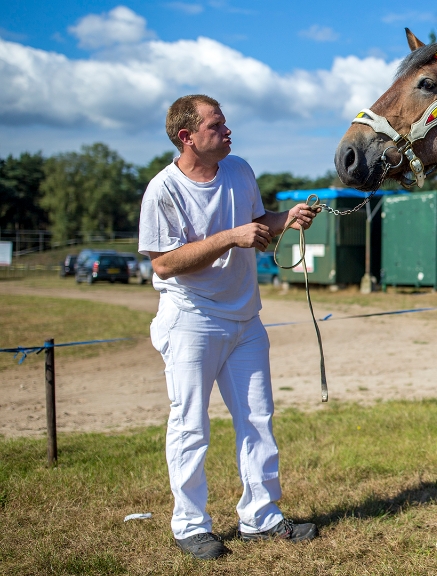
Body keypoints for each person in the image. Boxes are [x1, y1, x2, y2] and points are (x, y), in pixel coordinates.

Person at [139, 94, 320, 560]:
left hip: (246, 318)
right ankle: (190, 525)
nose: (228, 130)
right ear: (188, 137)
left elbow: (257, 225)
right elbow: (163, 264)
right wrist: (228, 238)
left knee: (258, 419)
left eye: (225, 123)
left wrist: (286, 220)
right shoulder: (163, 190)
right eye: (216, 125)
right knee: (190, 425)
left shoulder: (239, 169)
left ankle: (261, 517)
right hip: (191, 321)